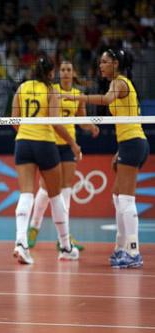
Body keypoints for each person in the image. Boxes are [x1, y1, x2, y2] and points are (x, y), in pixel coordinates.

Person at [62, 49, 149, 268]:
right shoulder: (119, 83)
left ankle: (133, 251)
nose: (100, 65)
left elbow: (105, 100)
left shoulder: (119, 83)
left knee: (126, 200)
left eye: (105, 62)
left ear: (116, 64)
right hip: (129, 144)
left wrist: (76, 96)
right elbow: (130, 118)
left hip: (133, 143)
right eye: (100, 62)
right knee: (117, 196)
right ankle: (121, 248)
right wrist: (120, 152)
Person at [11, 55, 81, 265]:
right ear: (51, 73)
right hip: (45, 144)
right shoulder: (52, 91)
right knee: (55, 195)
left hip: (23, 142)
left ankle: (21, 243)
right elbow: (55, 122)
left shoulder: (22, 88)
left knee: (26, 193)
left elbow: (14, 119)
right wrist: (72, 143)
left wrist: (26, 131)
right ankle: (66, 247)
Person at [28, 60, 100, 250]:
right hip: (51, 142)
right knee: (45, 188)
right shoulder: (52, 91)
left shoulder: (78, 95)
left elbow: (81, 121)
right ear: (58, 73)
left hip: (68, 147)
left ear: (73, 73)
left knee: (66, 189)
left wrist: (90, 126)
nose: (66, 73)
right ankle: (34, 227)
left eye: (69, 70)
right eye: (63, 70)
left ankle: (64, 238)